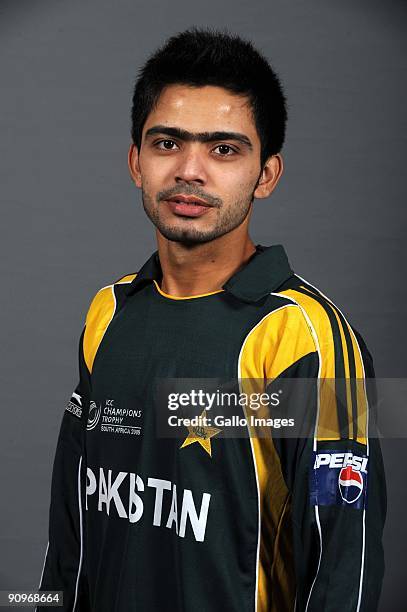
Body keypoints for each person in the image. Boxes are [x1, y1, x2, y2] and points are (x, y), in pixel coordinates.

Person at [36, 27, 386, 612]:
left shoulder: (307, 337)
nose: (189, 171)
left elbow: (342, 572)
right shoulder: (108, 311)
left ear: (266, 175)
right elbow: (68, 531)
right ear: (135, 161)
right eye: (167, 143)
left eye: (224, 149)